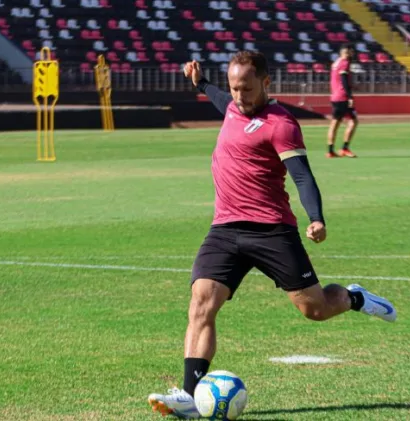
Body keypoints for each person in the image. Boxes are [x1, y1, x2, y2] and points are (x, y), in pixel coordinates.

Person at [147, 51, 396, 419]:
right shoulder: (232, 105)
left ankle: (354, 298)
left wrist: (316, 218)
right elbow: (220, 99)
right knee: (202, 300)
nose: (238, 96)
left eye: (246, 88)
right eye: (234, 88)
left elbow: (302, 176)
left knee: (315, 309)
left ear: (266, 83)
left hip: (272, 231)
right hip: (225, 228)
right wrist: (201, 83)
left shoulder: (281, 123)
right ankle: (189, 395)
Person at [327, 45, 359, 158]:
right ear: (346, 53)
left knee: (334, 123)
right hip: (343, 97)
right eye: (350, 52)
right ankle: (345, 148)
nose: (352, 54)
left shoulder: (336, 63)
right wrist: (350, 96)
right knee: (353, 122)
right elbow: (343, 79)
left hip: (335, 96)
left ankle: (330, 150)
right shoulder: (345, 62)